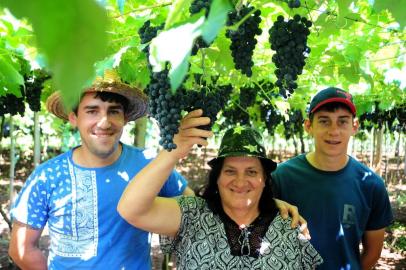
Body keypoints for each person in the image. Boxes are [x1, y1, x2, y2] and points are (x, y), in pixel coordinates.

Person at [8, 80, 195, 269]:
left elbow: (192, 210)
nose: (104, 122)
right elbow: (21, 249)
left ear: (125, 118)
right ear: (74, 118)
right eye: (92, 111)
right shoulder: (47, 176)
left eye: (114, 111)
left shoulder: (149, 165)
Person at [118, 110, 323, 269]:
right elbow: (131, 209)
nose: (240, 181)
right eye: (230, 171)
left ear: (264, 180)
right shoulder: (193, 215)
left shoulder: (288, 226)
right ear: (217, 178)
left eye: (251, 172)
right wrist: (171, 153)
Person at [272, 87, 394, 270]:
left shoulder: (371, 185)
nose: (334, 131)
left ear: (354, 126)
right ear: (308, 126)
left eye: (342, 122)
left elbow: (373, 253)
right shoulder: (280, 177)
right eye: (324, 121)